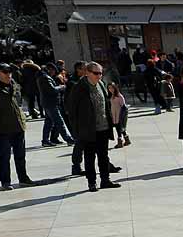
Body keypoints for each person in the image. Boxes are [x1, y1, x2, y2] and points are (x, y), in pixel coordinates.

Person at [64, 62, 120, 192]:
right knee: (89, 157)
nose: (99, 76)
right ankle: (92, 182)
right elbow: (71, 110)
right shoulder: (79, 88)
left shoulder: (101, 84)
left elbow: (105, 104)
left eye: (101, 73)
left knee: (103, 155)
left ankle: (105, 180)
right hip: (88, 129)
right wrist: (77, 129)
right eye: (96, 73)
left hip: (103, 127)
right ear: (87, 73)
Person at [0, 63, 34, 189]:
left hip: (18, 125)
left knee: (20, 155)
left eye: (10, 72)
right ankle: (5, 181)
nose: (8, 74)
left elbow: (18, 101)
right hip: (3, 128)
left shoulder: (14, 84)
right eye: (5, 72)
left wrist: (20, 115)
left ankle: (23, 177)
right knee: (5, 156)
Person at [39, 63, 73, 147]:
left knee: (48, 123)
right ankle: (68, 139)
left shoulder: (43, 77)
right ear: (50, 69)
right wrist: (61, 87)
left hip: (48, 103)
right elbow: (52, 89)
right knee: (59, 122)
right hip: (51, 103)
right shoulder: (45, 78)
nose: (54, 73)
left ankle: (45, 140)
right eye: (54, 71)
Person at [108, 82, 130, 148]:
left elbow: (123, 106)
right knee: (120, 128)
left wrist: (122, 116)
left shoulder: (119, 96)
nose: (110, 89)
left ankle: (120, 142)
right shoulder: (111, 96)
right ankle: (127, 139)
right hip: (114, 116)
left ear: (115, 88)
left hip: (119, 115)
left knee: (119, 128)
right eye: (109, 88)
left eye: (112, 88)